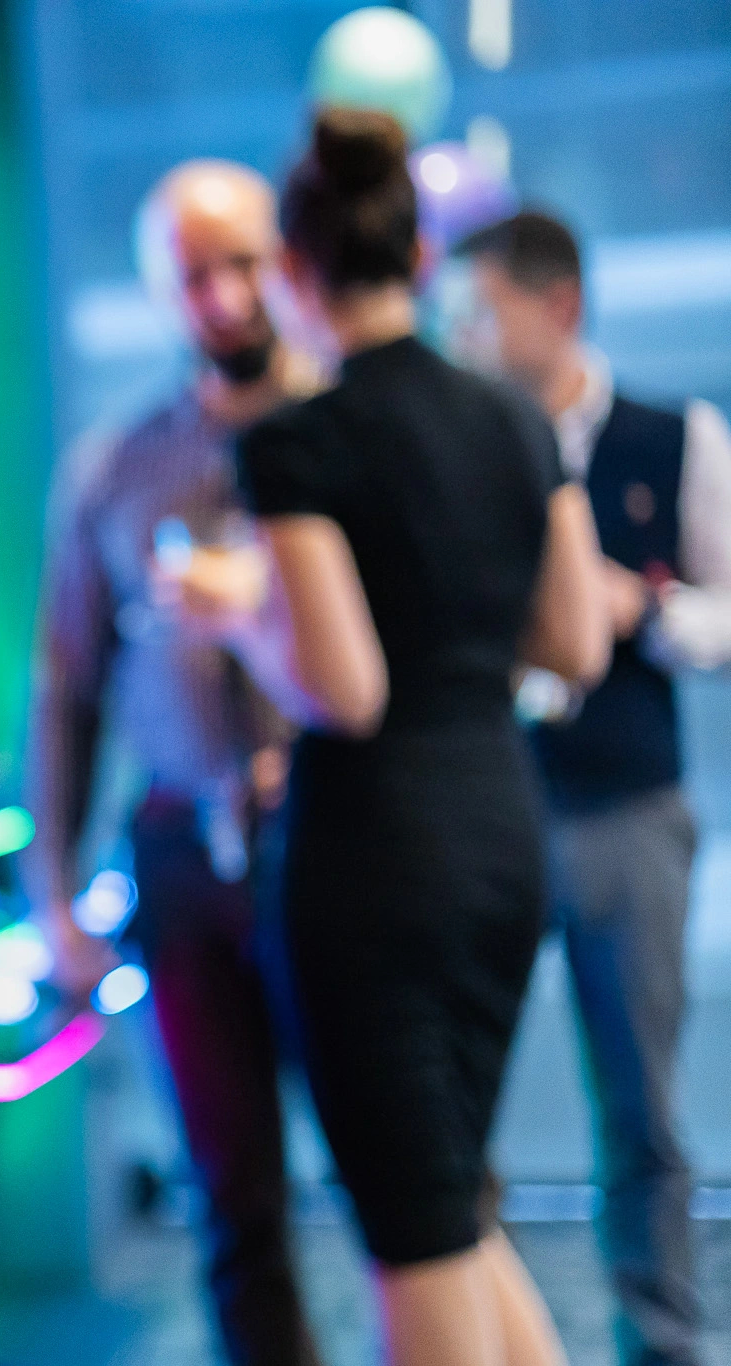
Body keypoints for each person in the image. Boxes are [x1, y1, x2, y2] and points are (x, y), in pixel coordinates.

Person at [228, 110, 610, 1366]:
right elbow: (574, 643)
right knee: (448, 1201)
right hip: (502, 835)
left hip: (375, 860)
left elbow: (342, 688)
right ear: (419, 257)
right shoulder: (513, 418)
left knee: (415, 1226)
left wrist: (242, 623)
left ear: (294, 273)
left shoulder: (298, 439)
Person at [34, 160, 322, 1366]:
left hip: (336, 840)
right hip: (175, 854)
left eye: (241, 262)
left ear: (286, 261)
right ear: (163, 292)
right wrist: (51, 894)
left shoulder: (347, 425)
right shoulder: (118, 462)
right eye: (192, 274)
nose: (220, 295)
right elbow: (66, 688)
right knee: (229, 1194)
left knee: (403, 1179)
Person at [460, 210, 731, 1366]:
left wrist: (641, 610)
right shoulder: (464, 442)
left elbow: (723, 612)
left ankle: (660, 1342)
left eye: (480, 310)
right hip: (486, 811)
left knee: (637, 1115)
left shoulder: (673, 435)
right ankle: (471, 1335)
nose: (463, 335)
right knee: (451, 1104)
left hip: (626, 809)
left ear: (554, 306)